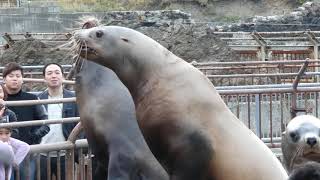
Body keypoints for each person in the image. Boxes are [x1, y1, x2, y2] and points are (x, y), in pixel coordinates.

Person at [2, 62, 49, 180]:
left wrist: (33, 137)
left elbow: (45, 123)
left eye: (18, 76)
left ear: (22, 79)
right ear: (4, 79)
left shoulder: (32, 99)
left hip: (26, 152)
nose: (15, 79)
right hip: (3, 153)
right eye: (11, 76)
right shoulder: (1, 102)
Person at [38, 62, 79, 180]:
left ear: (63, 76)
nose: (53, 76)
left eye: (57, 72)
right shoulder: (38, 99)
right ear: (44, 78)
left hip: (65, 154)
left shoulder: (73, 98)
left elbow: (81, 124)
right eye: (49, 73)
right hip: (42, 154)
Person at [0, 115, 30, 180]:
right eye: (0, 133)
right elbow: (6, 148)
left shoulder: (8, 140)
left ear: (10, 133)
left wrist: (15, 162)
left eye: (7, 133)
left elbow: (25, 146)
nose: (4, 136)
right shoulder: (6, 145)